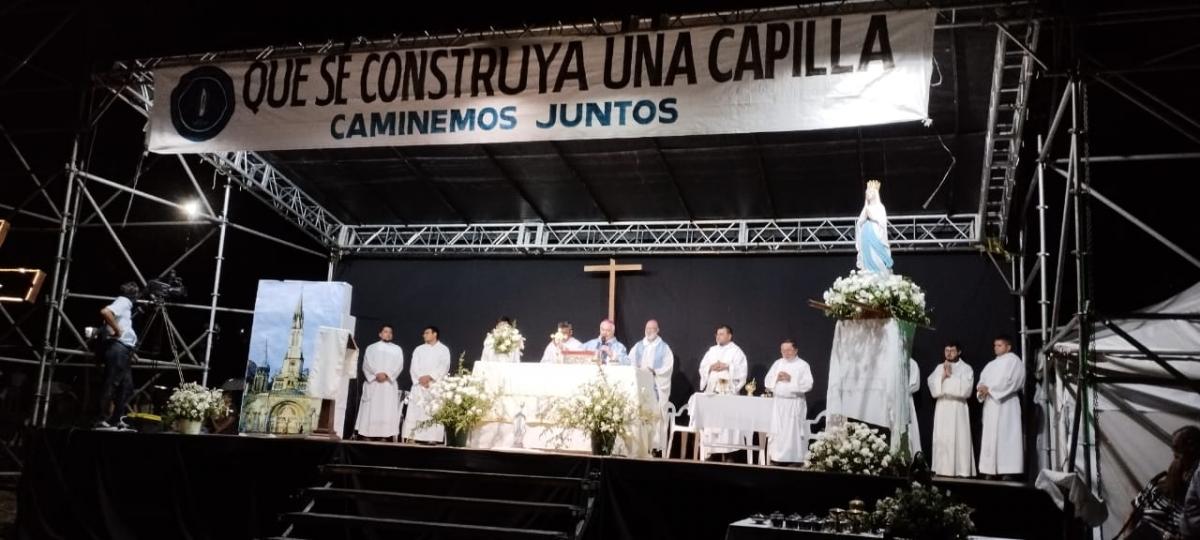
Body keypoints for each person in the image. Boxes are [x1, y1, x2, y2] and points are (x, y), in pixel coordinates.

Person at [1117, 426, 1200, 539]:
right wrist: (1128, 534)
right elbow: (1133, 512)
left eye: (1179, 451)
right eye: (1175, 453)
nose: (1175, 458)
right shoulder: (1158, 486)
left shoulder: (1193, 500)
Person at [977, 335, 1025, 479]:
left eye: (999, 345)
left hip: (1006, 405)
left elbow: (1014, 382)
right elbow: (982, 381)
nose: (996, 348)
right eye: (995, 345)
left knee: (1006, 436)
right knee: (990, 438)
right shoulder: (990, 365)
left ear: (1008, 347)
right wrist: (981, 390)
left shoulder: (1014, 361)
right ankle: (990, 469)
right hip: (991, 406)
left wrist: (990, 390)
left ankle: (1008, 470)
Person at [698, 325, 748, 461]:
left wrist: (727, 366)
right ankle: (713, 452)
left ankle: (729, 453)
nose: (718, 336)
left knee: (727, 425)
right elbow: (703, 367)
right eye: (717, 334)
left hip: (727, 392)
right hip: (713, 391)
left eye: (721, 334)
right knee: (712, 423)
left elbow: (742, 371)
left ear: (729, 336)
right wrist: (710, 367)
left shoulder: (736, 351)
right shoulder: (712, 350)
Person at [95, 281, 140, 430]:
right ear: (133, 295)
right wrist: (118, 331)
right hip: (117, 348)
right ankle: (101, 419)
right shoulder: (124, 301)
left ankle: (116, 420)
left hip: (123, 350)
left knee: (126, 386)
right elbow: (105, 312)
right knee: (111, 383)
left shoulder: (125, 305)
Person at [927, 342, 976, 477]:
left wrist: (950, 377)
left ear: (959, 352)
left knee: (959, 438)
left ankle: (961, 469)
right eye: (946, 350)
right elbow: (932, 384)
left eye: (952, 350)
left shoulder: (966, 368)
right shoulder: (939, 368)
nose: (949, 353)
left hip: (958, 408)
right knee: (942, 438)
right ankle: (942, 469)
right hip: (943, 407)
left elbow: (966, 390)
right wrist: (943, 376)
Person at [764, 339, 814, 465]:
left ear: (796, 350)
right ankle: (777, 458)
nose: (785, 353)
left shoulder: (803, 365)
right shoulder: (777, 363)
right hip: (779, 404)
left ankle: (795, 459)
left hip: (794, 404)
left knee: (793, 433)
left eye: (788, 350)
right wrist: (777, 377)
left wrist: (791, 378)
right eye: (783, 350)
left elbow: (808, 385)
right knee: (779, 432)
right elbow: (768, 380)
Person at [629, 319, 674, 452]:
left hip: (656, 386)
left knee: (655, 416)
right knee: (638, 414)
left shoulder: (664, 348)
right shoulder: (638, 346)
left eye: (652, 329)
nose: (649, 331)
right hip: (640, 387)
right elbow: (629, 361)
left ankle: (654, 447)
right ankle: (637, 445)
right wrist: (636, 369)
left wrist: (655, 371)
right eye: (647, 328)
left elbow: (668, 367)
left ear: (658, 330)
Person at [402, 326, 451, 443]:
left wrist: (430, 377)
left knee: (432, 412)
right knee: (416, 412)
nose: (424, 335)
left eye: (427, 333)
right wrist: (420, 379)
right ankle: (412, 436)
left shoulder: (444, 349)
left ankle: (432, 438)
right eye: (424, 333)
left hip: (434, 386)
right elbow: (414, 366)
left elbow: (444, 366)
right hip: (419, 385)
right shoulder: (418, 349)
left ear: (435, 334)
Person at [355, 324, 404, 441]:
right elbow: (366, 364)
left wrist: (387, 375)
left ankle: (384, 435)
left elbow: (399, 365)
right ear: (380, 334)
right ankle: (367, 433)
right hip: (374, 383)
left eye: (390, 332)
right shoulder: (371, 348)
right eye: (385, 331)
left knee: (386, 409)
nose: (388, 334)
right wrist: (376, 374)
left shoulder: (397, 349)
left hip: (388, 384)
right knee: (371, 409)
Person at [855, 179, 892, 274]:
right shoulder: (866, 208)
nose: (868, 194)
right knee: (867, 254)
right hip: (865, 235)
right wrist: (864, 218)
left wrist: (873, 217)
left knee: (876, 256)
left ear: (875, 193)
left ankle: (880, 272)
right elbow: (859, 223)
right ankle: (869, 270)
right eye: (867, 192)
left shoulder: (880, 207)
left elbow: (883, 223)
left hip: (876, 234)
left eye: (870, 192)